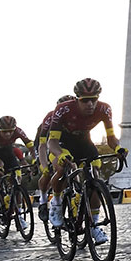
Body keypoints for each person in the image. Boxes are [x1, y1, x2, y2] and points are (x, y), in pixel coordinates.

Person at [46, 79, 123, 244]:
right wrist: (59, 155)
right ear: (76, 99)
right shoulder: (63, 109)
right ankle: (57, 203)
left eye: (94, 99)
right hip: (62, 143)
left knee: (95, 177)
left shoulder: (104, 109)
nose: (90, 104)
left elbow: (111, 138)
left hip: (85, 143)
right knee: (61, 167)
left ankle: (94, 223)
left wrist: (118, 149)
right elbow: (51, 143)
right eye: (85, 100)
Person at [35, 94, 75, 222]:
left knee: (77, 166)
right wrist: (44, 165)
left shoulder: (79, 117)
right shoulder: (51, 117)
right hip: (47, 143)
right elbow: (42, 145)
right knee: (52, 170)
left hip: (69, 142)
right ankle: (43, 199)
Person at [0, 116, 34, 210]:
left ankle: (18, 210)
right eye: (4, 131)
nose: (8, 134)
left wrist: (35, 158)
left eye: (10, 131)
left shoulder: (18, 131)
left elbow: (30, 145)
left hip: (8, 153)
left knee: (17, 180)